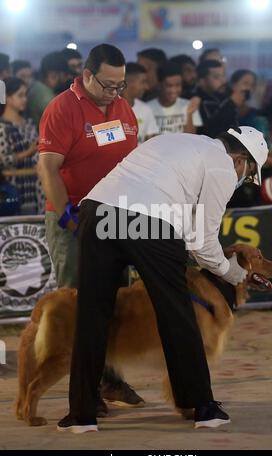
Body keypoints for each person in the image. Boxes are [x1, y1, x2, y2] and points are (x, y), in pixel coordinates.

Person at [57, 126, 268, 433]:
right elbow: (203, 245)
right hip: (150, 220)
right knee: (177, 314)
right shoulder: (221, 165)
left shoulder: (174, 140)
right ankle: (202, 408)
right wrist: (237, 274)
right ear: (240, 159)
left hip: (96, 211)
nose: (243, 179)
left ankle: (80, 414)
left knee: (92, 314)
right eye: (248, 173)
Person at [38, 43, 143, 411]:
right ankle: (85, 389)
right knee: (78, 304)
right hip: (73, 218)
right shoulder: (62, 109)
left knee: (117, 302)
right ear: (86, 75)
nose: (115, 92)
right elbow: (48, 168)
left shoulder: (123, 107)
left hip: (114, 217)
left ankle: (112, 380)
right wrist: (67, 214)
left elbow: (131, 161)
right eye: (108, 84)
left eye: (121, 85)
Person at [0, 78, 41, 214]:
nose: (25, 99)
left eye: (25, 95)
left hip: (35, 189)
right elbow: (4, 161)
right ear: (7, 97)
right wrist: (29, 152)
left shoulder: (29, 123)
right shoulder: (2, 127)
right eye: (20, 95)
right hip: (14, 191)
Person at [148, 61, 202, 134]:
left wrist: (189, 113)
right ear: (159, 85)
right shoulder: (147, 108)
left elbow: (191, 138)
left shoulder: (189, 106)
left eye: (178, 85)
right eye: (169, 86)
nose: (174, 90)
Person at [27, 51, 72, 127]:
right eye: (65, 75)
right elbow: (61, 122)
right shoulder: (44, 95)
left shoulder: (38, 87)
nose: (67, 78)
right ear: (53, 74)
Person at [122, 62, 158, 143]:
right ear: (128, 81)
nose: (146, 87)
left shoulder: (146, 109)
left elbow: (152, 143)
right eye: (143, 82)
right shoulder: (109, 108)